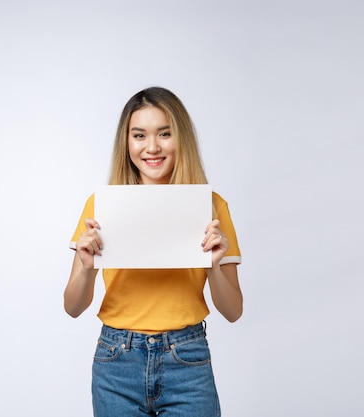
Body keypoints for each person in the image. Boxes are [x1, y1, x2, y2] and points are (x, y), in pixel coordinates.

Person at [64, 86, 243, 417]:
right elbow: (73, 307)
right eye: (139, 135)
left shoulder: (211, 207)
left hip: (186, 360)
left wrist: (213, 265)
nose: (152, 147)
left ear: (181, 138)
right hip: (116, 361)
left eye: (165, 133)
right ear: (126, 142)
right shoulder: (102, 206)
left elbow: (233, 311)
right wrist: (87, 267)